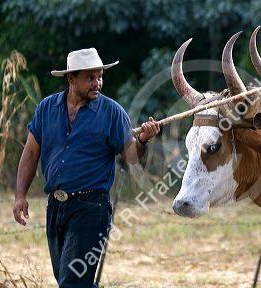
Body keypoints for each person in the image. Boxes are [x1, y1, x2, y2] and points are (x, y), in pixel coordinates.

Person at [13, 48, 160, 287]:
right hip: (56, 207)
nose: (98, 83)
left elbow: (132, 156)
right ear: (71, 78)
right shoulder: (46, 109)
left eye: (100, 76)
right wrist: (20, 195)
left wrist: (143, 140)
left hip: (91, 209)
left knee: (72, 282)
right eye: (90, 77)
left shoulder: (112, 113)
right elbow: (30, 153)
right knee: (69, 280)